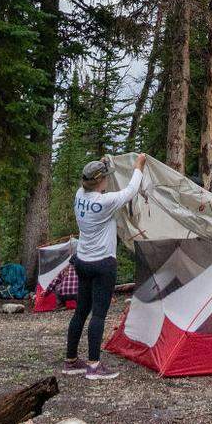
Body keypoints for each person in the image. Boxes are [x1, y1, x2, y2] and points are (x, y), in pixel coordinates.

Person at [63, 152, 146, 380]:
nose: (108, 180)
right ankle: (93, 365)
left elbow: (100, 187)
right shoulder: (106, 202)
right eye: (105, 177)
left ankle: (70, 361)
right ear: (100, 181)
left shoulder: (80, 195)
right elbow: (130, 191)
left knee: (81, 311)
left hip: (82, 262)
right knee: (98, 314)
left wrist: (101, 164)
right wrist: (139, 165)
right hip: (103, 264)